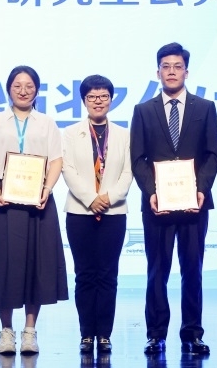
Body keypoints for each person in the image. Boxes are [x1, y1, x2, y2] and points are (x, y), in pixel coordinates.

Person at [130, 42, 217, 355]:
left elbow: (212, 154)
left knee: (193, 270)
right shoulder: (143, 111)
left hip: (195, 204)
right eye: (166, 67)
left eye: (177, 66)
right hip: (157, 205)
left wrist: (201, 188)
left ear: (186, 71)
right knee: (157, 271)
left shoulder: (204, 108)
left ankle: (192, 334)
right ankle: (156, 334)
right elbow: (138, 158)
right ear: (158, 72)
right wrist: (152, 192)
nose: (171, 72)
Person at [0, 65, 68, 356]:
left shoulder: (47, 123)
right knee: (3, 263)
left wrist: (47, 189)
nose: (23, 91)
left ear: (37, 90)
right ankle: (6, 331)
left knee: (36, 264)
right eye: (17, 86)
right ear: (9, 89)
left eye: (29, 86)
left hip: (38, 198)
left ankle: (29, 331)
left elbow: (56, 160)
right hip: (4, 198)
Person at [61, 75, 133, 355]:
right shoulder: (70, 133)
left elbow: (128, 172)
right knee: (84, 275)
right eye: (92, 97)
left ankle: (104, 334)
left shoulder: (124, 134)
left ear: (111, 100)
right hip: (80, 212)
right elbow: (68, 170)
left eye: (103, 96)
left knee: (108, 274)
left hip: (114, 212)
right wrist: (91, 198)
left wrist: (109, 197)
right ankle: (86, 334)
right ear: (84, 101)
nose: (98, 101)